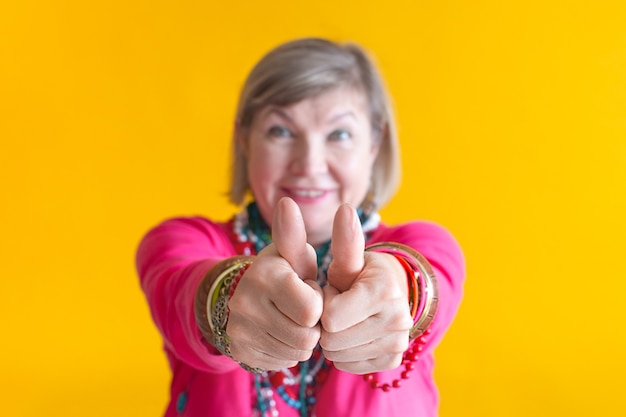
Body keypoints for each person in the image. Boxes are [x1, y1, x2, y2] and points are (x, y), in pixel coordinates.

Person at [136, 37, 465, 417]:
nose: (309, 163)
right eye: (281, 131)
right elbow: (180, 289)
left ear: (374, 144)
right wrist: (227, 300)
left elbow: (428, 276)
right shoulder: (184, 240)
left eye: (339, 134)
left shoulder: (421, 242)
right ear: (245, 139)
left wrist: (400, 291)